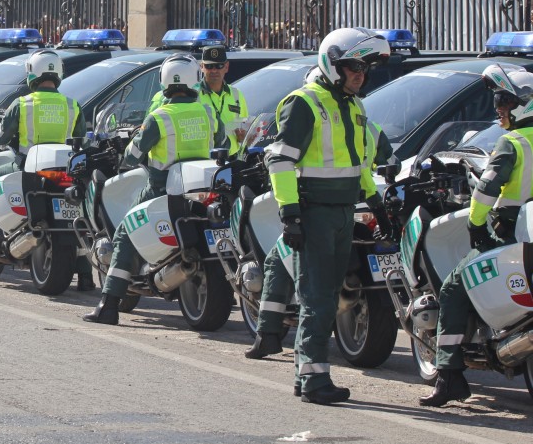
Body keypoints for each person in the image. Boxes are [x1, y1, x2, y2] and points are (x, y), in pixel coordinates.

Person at [263, 27, 392, 405]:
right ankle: (315, 379)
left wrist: (376, 203)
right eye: (354, 66)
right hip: (315, 213)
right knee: (318, 299)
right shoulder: (304, 103)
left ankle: (308, 376)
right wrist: (291, 215)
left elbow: (357, 163)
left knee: (329, 296)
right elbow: (281, 160)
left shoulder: (354, 105)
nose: (360, 75)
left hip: (343, 213)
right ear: (333, 64)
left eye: (364, 68)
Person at [420, 63, 532, 407]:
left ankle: (450, 375)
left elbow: (485, 190)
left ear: (522, 104)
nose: (498, 108)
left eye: (503, 100)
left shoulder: (512, 142)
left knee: (454, 287)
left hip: (510, 235)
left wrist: (476, 225)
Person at [84, 56, 226, 323]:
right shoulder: (208, 112)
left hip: (162, 188)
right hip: (202, 186)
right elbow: (223, 141)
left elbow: (133, 156)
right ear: (195, 79)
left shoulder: (159, 117)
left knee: (126, 229)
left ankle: (109, 305)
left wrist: (128, 152)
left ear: (164, 82)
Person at [0, 50, 91, 284]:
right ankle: (85, 274)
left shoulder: (22, 104)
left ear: (32, 74)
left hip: (26, 166)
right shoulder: (72, 105)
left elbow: (1, 138)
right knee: (76, 213)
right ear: (58, 74)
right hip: (65, 169)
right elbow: (81, 138)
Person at [195, 46, 250, 154]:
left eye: (219, 66)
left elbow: (244, 127)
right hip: (204, 160)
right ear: (201, 66)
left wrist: (244, 137)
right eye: (209, 66)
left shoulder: (236, 94)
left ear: (226, 67)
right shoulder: (194, 95)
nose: (214, 70)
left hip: (232, 161)